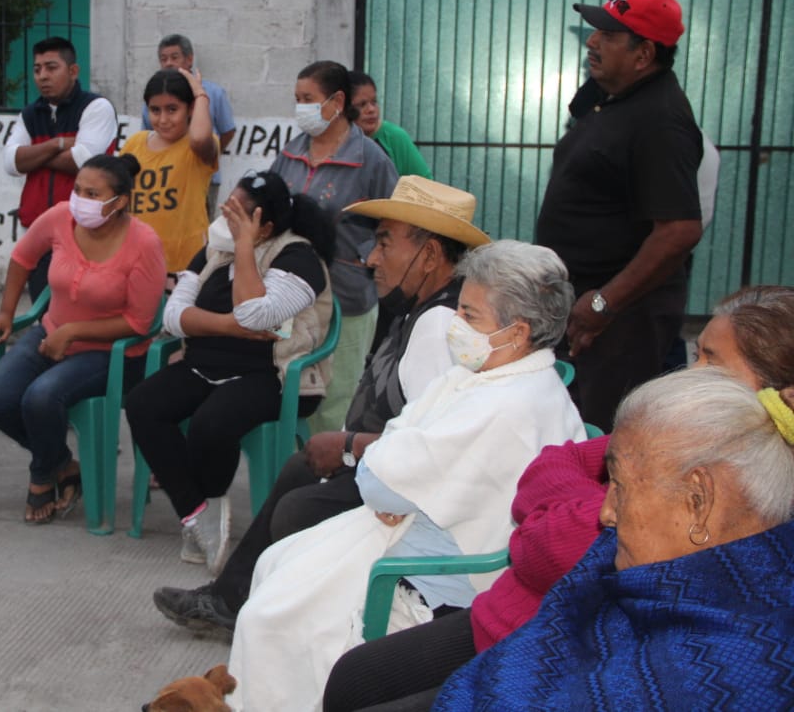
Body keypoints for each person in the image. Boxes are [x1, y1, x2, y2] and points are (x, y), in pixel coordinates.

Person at [323, 283, 794, 711]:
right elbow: (548, 467)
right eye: (697, 354)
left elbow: (542, 545)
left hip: (540, 633)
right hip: (530, 624)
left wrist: (565, 505)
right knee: (352, 678)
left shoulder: (733, 526)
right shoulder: (662, 445)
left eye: (711, 359)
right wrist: (597, 493)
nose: (607, 512)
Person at [225, 240, 586, 712]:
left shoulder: (508, 404)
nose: (455, 325)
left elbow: (380, 479)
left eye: (470, 315)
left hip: (435, 576)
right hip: (407, 530)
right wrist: (397, 483)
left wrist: (396, 486)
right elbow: (398, 438)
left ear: (516, 332)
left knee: (271, 618)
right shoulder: (489, 374)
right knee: (275, 566)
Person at [153, 177, 488, 637]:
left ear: (429, 255)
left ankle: (274, 622)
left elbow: (433, 449)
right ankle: (230, 599)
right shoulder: (417, 308)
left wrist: (349, 446)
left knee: (297, 507)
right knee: (299, 466)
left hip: (404, 486)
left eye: (384, 243)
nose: (370, 259)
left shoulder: (437, 326)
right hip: (382, 462)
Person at [433, 369, 794, 711]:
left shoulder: (717, 673)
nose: (605, 513)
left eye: (619, 486)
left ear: (698, 501)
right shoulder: (660, 566)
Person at [128, 170, 337, 571]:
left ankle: (206, 506)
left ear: (265, 226)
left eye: (236, 215)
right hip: (204, 365)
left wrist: (244, 247)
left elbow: (255, 314)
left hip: (272, 375)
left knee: (211, 423)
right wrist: (227, 326)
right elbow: (173, 316)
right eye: (226, 210)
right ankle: (197, 512)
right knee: (143, 404)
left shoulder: (298, 257)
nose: (224, 220)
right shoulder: (213, 252)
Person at [536, 0, 703, 431]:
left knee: (599, 437)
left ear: (643, 54)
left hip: (619, 321)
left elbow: (680, 230)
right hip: (582, 307)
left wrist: (604, 303)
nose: (592, 41)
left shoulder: (660, 120)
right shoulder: (613, 98)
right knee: (564, 427)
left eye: (609, 36)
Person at [0, 154, 164, 524]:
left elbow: (140, 322)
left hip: (114, 354)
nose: (80, 200)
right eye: (78, 190)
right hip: (51, 332)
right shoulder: (60, 217)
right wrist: (5, 312)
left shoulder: (144, 243)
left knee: (41, 397)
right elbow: (23, 257)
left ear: (120, 201)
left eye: (93, 194)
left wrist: (74, 331)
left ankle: (41, 477)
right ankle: (64, 465)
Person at [271, 60, 399, 434]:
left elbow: (395, 223)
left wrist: (368, 256)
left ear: (338, 101)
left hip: (347, 295)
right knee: (288, 389)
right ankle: (289, 465)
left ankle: (326, 467)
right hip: (292, 296)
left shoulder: (370, 160)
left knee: (334, 397)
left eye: (308, 99)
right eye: (297, 99)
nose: (301, 108)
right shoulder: (290, 153)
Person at [2, 36, 118, 299]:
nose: (42, 76)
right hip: (39, 235)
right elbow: (11, 162)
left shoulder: (95, 107)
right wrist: (58, 144)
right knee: (43, 313)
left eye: (51, 67)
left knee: (81, 310)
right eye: (37, 69)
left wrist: (33, 154)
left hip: (85, 232)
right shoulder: (30, 114)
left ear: (73, 71)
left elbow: (82, 161)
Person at [122, 68, 218, 271]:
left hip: (187, 263)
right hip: (139, 259)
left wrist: (200, 94)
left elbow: (200, 138)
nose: (163, 119)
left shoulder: (196, 148)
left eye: (172, 109)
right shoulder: (134, 143)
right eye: (155, 110)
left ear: (190, 109)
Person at [142, 34, 237, 217]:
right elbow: (148, 134)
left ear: (189, 59)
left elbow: (227, 130)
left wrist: (207, 153)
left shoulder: (212, 93)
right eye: (163, 59)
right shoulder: (154, 96)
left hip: (205, 177)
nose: (169, 63)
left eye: (174, 57)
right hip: (163, 178)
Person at [348, 71, 432, 179]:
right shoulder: (334, 141)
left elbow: (424, 183)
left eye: (374, 102)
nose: (371, 110)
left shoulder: (395, 137)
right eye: (362, 104)